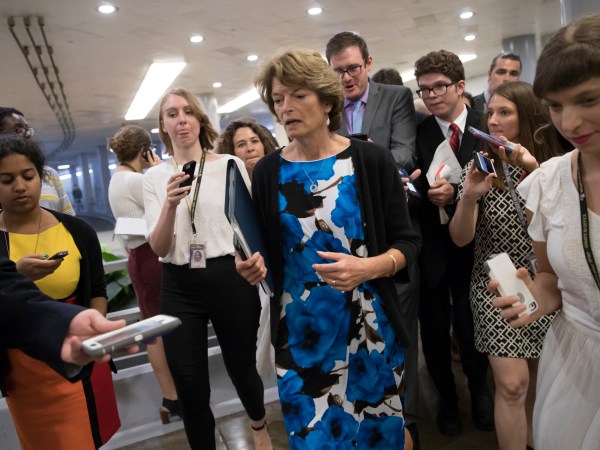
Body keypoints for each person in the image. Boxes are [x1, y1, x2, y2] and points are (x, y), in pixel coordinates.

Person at [238, 48, 420, 449]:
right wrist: (253, 267)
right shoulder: (269, 171)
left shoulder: (369, 159)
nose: (286, 107)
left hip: (369, 323)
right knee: (317, 440)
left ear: (327, 100)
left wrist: (368, 267)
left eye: (297, 95)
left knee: (382, 435)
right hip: (302, 331)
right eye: (278, 99)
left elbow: (408, 242)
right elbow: (268, 252)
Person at [491, 14, 600, 450]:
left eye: (587, 99)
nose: (570, 122)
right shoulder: (550, 182)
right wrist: (536, 299)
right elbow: (551, 279)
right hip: (577, 363)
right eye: (555, 106)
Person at [142, 88, 272, 450]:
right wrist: (170, 204)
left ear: (200, 120)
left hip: (229, 277)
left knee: (242, 367)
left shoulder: (230, 165)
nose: (181, 119)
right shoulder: (153, 179)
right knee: (189, 382)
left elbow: (248, 225)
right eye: (171, 114)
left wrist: (254, 261)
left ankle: (259, 427)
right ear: (163, 126)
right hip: (179, 284)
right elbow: (159, 247)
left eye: (187, 112)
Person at [449, 81, 562, 449]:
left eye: (505, 113)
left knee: (539, 384)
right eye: (490, 113)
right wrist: (468, 197)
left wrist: (532, 171)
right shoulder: (481, 164)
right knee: (513, 385)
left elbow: (553, 222)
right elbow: (460, 238)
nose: (493, 121)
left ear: (526, 115)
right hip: (495, 283)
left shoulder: (551, 164)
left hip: (546, 280)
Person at [0, 134, 120, 449]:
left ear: (43, 178)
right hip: (22, 370)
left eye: (28, 176)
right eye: (6, 179)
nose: (20, 187)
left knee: (86, 436)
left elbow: (96, 289)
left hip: (80, 352)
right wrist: (18, 274)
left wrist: (93, 334)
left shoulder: (77, 230)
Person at [413, 49, 492, 435]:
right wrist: (422, 191)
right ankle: (447, 400)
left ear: (460, 86)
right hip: (432, 245)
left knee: (470, 325)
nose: (430, 96)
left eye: (438, 87)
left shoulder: (484, 126)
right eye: (423, 89)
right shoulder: (420, 132)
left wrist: (458, 191)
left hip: (477, 246)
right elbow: (411, 184)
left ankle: (480, 392)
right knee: (434, 330)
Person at [108, 125, 180, 424]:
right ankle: (173, 397)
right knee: (159, 330)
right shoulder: (137, 180)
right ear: (144, 151)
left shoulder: (116, 179)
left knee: (154, 327)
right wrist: (160, 170)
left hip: (138, 258)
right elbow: (172, 203)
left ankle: (171, 396)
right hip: (152, 257)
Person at [1, 254, 135, 369]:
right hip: (21, 361)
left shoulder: (78, 230)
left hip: (60, 343)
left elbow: (5, 289)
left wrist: (66, 322)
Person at [325, 31, 417, 170]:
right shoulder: (326, 107)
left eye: (353, 68)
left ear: (368, 63)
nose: (346, 78)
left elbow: (404, 153)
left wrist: (373, 161)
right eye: (338, 71)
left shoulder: (396, 97)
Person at [0, 107, 76, 216]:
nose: (27, 134)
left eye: (29, 176)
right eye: (18, 129)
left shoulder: (50, 174)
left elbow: (69, 218)